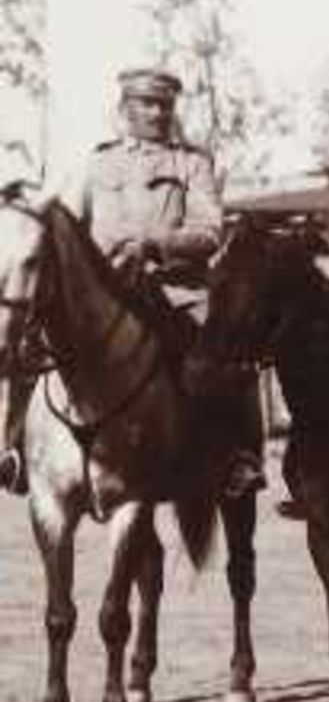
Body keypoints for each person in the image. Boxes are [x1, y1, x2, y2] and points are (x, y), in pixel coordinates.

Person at [0, 66, 265, 498]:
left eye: (164, 104)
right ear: (125, 108)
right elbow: (65, 228)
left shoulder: (192, 163)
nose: (158, 113)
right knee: (30, 341)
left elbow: (209, 231)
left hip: (176, 292)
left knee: (215, 362)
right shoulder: (97, 163)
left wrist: (155, 244)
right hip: (103, 296)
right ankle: (17, 450)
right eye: (147, 103)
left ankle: (231, 455)